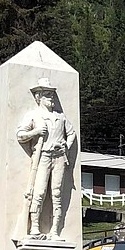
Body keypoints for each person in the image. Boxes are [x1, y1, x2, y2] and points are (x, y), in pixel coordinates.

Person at [16, 77, 77, 239]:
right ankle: (34, 227)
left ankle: (54, 231)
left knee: (57, 194)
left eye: (52, 94)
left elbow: (71, 134)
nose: (51, 98)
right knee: (39, 192)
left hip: (59, 158)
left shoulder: (61, 117)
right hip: (42, 156)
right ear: (38, 97)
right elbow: (20, 135)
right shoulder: (34, 115)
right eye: (47, 95)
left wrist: (66, 146)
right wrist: (35, 132)